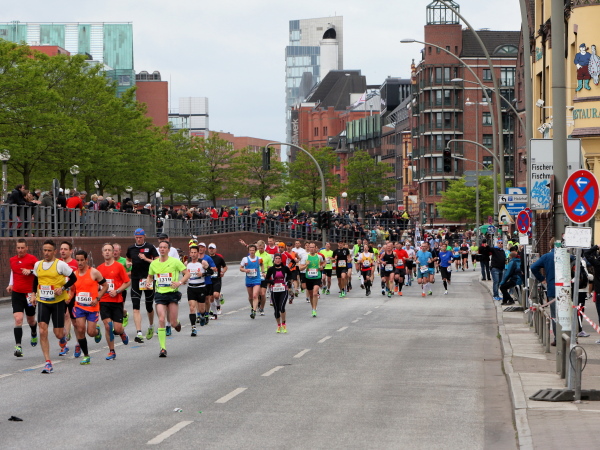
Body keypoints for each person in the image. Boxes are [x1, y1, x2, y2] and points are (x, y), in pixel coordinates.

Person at [31, 240, 77, 373]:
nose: (46, 253)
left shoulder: (60, 265)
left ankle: (63, 337)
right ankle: (48, 362)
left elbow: (74, 278)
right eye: (44, 250)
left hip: (57, 302)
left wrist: (62, 288)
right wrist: (33, 295)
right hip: (43, 301)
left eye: (49, 250)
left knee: (58, 333)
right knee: (42, 330)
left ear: (54, 252)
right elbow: (35, 280)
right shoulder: (38, 264)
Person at [147, 241, 190, 357]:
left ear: (168, 250)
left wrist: (179, 282)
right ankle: (163, 348)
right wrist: (148, 282)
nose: (162, 249)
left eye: (164, 247)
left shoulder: (175, 262)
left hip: (172, 294)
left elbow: (187, 274)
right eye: (160, 247)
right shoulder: (154, 264)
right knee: (161, 319)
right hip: (160, 294)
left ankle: (176, 323)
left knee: (173, 322)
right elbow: (150, 276)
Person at [70, 250, 108, 365]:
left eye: (82, 260)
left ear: (86, 260)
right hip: (79, 306)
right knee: (80, 329)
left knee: (90, 332)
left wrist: (97, 298)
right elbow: (72, 290)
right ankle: (86, 355)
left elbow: (105, 286)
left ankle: (97, 331)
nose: (80, 262)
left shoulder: (94, 272)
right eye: (78, 260)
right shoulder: (74, 274)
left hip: (92, 307)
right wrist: (68, 298)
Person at [97, 243, 131, 360]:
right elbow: (96, 284)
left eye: (109, 250)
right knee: (108, 326)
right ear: (102, 253)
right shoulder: (99, 269)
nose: (107, 252)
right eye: (105, 250)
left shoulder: (119, 267)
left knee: (117, 328)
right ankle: (111, 351)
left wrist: (117, 291)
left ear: (112, 253)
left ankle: (122, 332)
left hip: (117, 301)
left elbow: (127, 282)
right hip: (104, 301)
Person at [126, 228, 159, 343]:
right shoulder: (131, 248)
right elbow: (128, 259)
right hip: (135, 279)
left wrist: (146, 259)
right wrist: (128, 263)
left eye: (140, 237)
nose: (139, 239)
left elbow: (157, 262)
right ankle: (139, 332)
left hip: (148, 279)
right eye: (137, 237)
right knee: (136, 307)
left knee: (149, 306)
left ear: (144, 236)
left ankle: (151, 325)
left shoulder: (150, 247)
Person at [7, 239, 38, 357]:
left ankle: (34, 332)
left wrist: (30, 271)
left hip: (30, 294)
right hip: (17, 293)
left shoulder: (32, 259)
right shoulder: (12, 260)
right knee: (18, 319)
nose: (20, 250)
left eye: (22, 248)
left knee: (31, 320)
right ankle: (18, 346)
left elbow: (40, 272)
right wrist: (11, 284)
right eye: (18, 248)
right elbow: (13, 272)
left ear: (26, 248)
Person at [531, 238, 558, 346]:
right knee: (568, 313)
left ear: (550, 246)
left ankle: (557, 338)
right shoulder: (567, 256)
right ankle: (570, 337)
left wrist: (542, 278)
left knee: (554, 314)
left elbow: (533, 267)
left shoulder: (547, 256)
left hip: (552, 288)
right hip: (566, 289)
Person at [185, 245, 211, 336]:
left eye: (195, 252)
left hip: (201, 287)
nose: (193, 254)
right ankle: (193, 328)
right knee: (192, 308)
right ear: (189, 253)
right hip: (191, 288)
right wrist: (184, 280)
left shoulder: (202, 262)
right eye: (192, 252)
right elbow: (184, 273)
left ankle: (202, 316)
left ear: (198, 253)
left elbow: (211, 272)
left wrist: (202, 274)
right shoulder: (186, 263)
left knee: (201, 309)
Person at [265, 254, 293, 333]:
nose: (277, 260)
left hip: (283, 290)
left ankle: (284, 324)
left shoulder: (285, 268)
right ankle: (278, 325)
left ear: (281, 260)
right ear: (274, 260)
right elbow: (266, 279)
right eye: (276, 258)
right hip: (274, 291)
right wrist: (271, 282)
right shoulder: (271, 269)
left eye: (279, 258)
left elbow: (290, 276)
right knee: (276, 309)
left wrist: (288, 283)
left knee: (282, 307)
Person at [59, 241, 78, 355]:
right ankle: (64, 344)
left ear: (71, 251)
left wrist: (71, 294)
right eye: (61, 249)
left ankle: (78, 343)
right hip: (60, 295)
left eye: (65, 249)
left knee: (75, 321)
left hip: (73, 295)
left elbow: (78, 279)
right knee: (60, 319)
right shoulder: (57, 263)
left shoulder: (76, 263)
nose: (63, 251)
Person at [299, 242, 325, 317]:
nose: (312, 249)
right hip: (308, 277)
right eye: (310, 247)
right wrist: (306, 265)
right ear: (309, 248)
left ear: (315, 248)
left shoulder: (319, 256)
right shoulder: (305, 257)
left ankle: (314, 309)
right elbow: (300, 268)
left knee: (315, 293)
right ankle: (313, 307)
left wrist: (322, 266)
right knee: (311, 295)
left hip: (317, 277)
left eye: (313, 247)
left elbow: (324, 262)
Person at [240, 244, 263, 319]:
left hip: (257, 279)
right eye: (250, 250)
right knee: (250, 297)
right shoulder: (245, 259)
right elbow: (240, 268)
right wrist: (245, 270)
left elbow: (262, 265)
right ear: (248, 251)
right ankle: (252, 306)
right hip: (249, 279)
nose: (252, 252)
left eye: (253, 250)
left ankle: (254, 311)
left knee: (255, 295)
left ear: (255, 251)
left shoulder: (259, 258)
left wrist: (263, 272)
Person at [207, 243, 227, 316]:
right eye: (210, 249)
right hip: (209, 280)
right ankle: (214, 310)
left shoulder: (219, 258)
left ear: (215, 250)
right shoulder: (206, 258)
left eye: (212, 249)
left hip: (217, 279)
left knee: (215, 295)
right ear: (208, 249)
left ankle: (218, 307)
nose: (211, 250)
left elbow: (225, 267)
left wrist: (222, 272)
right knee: (211, 298)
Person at [113, 243, 130, 327]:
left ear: (120, 251)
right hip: (112, 288)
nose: (115, 252)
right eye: (113, 250)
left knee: (120, 307)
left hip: (122, 287)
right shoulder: (109, 261)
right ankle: (115, 326)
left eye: (116, 251)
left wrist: (124, 274)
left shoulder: (124, 261)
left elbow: (132, 271)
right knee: (113, 308)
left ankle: (124, 315)